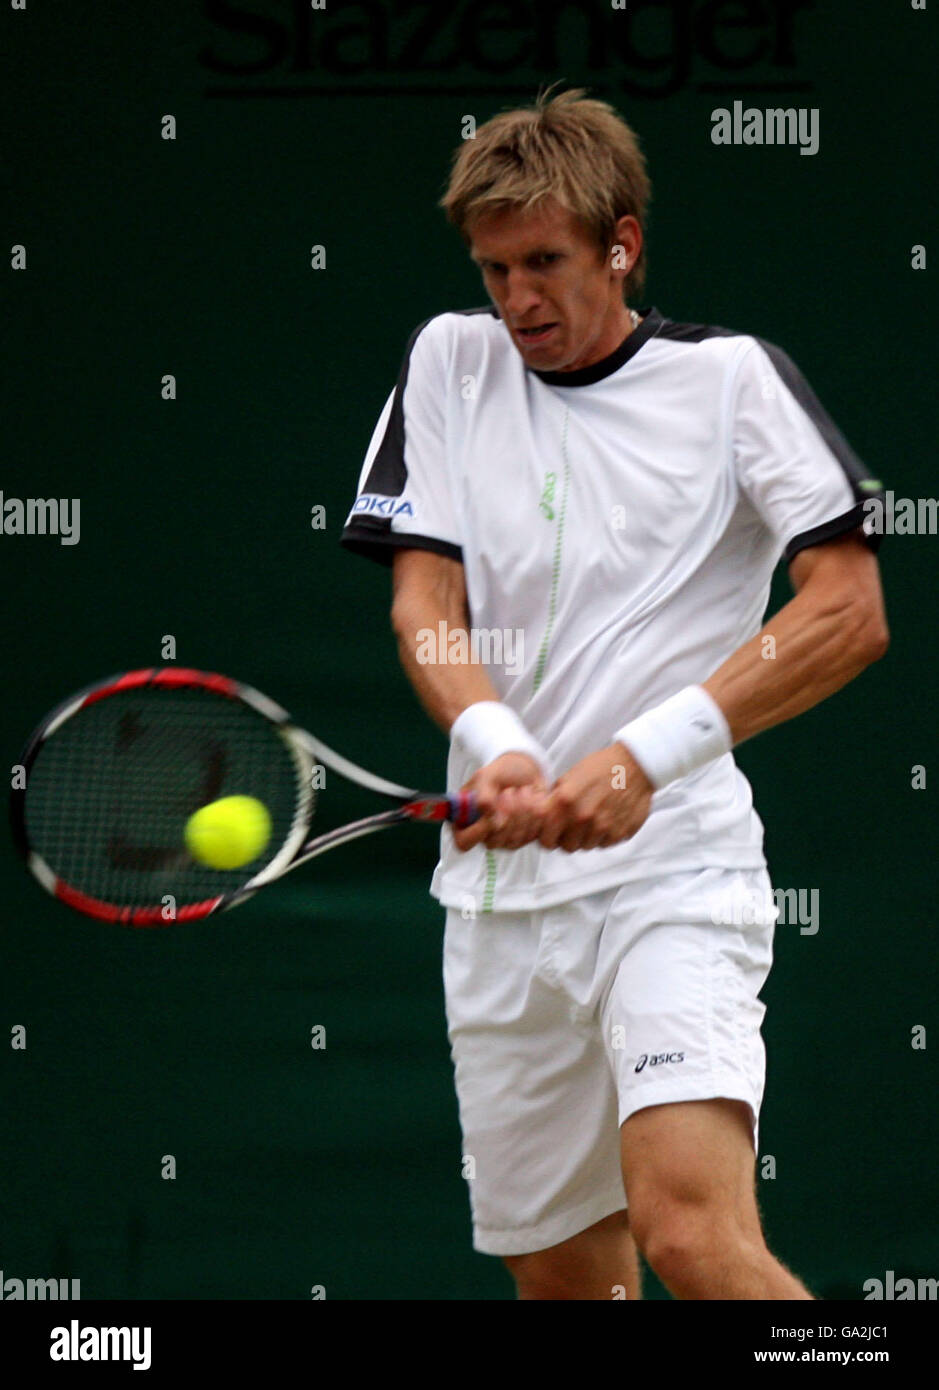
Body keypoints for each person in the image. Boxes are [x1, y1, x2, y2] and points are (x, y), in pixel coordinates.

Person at [340, 88, 888, 1300]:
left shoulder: (735, 383)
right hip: (499, 908)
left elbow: (848, 608)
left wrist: (644, 758)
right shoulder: (449, 361)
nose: (517, 299)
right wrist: (494, 741)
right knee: (566, 1287)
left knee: (690, 1235)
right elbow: (424, 612)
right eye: (494, 268)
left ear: (622, 244)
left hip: (673, 874)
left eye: (545, 262)